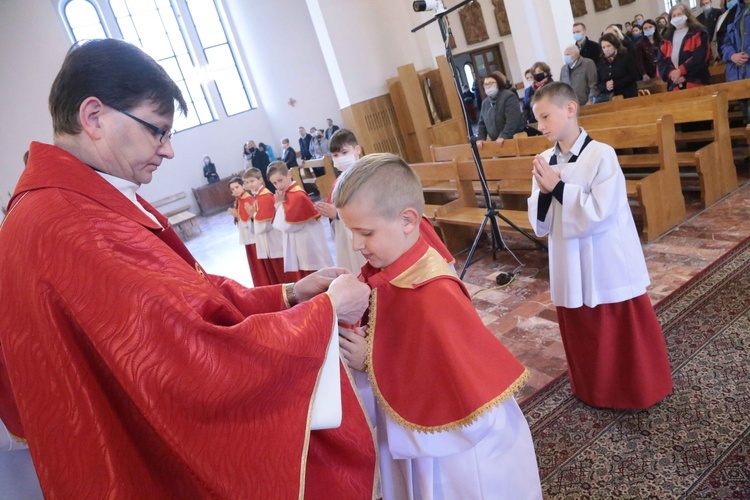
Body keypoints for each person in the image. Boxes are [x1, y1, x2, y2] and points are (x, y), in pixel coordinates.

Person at [0, 38, 377, 497]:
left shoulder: (69, 203)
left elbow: (187, 296)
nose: (169, 150)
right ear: (94, 117)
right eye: (157, 130)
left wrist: (291, 295)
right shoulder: (71, 227)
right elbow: (188, 359)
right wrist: (321, 315)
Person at [332, 153, 543, 498]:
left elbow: (445, 388)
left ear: (407, 220)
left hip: (459, 452)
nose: (355, 244)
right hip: (425, 438)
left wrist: (371, 363)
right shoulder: (399, 259)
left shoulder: (432, 297)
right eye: (350, 231)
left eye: (364, 232)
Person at [527, 82, 673, 410]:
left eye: (545, 116)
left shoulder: (600, 154)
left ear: (570, 109)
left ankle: (636, 390)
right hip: (567, 258)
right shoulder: (545, 159)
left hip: (603, 260)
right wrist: (545, 192)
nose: (541, 126)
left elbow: (601, 213)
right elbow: (541, 222)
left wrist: (558, 187)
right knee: (583, 330)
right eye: (537, 120)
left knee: (617, 328)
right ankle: (592, 389)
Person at [315, 129, 454, 274]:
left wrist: (337, 215)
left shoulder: (377, 175)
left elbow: (382, 210)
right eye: (335, 155)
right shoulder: (339, 183)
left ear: (357, 149)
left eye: (344, 153)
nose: (340, 158)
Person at [268, 161, 334, 277]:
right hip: (300, 242)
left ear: (289, 174)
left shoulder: (297, 195)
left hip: (307, 242)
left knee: (315, 276)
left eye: (280, 180)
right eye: (274, 183)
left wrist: (278, 205)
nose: (278, 186)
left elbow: (288, 226)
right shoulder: (287, 193)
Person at [243, 167, 292, 285]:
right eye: (247, 182)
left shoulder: (265, 196)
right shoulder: (257, 196)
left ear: (260, 180)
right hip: (268, 243)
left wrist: (253, 214)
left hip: (274, 241)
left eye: (252, 181)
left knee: (283, 274)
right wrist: (253, 215)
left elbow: (266, 224)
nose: (250, 184)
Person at [658, 2, 711, 91]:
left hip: (696, 81)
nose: (676, 17)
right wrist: (672, 74)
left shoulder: (699, 33)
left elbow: (700, 56)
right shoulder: (666, 39)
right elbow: (661, 62)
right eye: (674, 16)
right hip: (675, 84)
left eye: (679, 14)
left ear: (687, 15)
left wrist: (680, 71)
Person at [227, 176, 265, 286]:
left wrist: (237, 215)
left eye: (237, 187)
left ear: (243, 186)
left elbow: (250, 219)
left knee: (258, 262)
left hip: (253, 237)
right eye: (232, 189)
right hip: (247, 237)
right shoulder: (240, 200)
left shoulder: (248, 199)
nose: (235, 190)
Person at [475, 71, 526, 148]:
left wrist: (504, 135)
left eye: (491, 83)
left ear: (498, 83)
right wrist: (480, 138)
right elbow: (482, 123)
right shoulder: (485, 103)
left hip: (512, 138)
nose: (488, 86)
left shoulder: (508, 96)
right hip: (495, 141)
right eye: (486, 84)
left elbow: (512, 119)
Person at [720, 0, 750, 118]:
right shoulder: (734, 12)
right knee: (747, 119)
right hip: (739, 73)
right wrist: (732, 55)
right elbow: (724, 41)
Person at [596, 33, 639, 100]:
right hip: (609, 97)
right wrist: (605, 86)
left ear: (615, 45)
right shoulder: (601, 62)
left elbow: (634, 76)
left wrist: (615, 83)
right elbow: (599, 83)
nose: (606, 49)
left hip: (628, 95)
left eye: (608, 46)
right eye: (603, 47)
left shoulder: (626, 57)